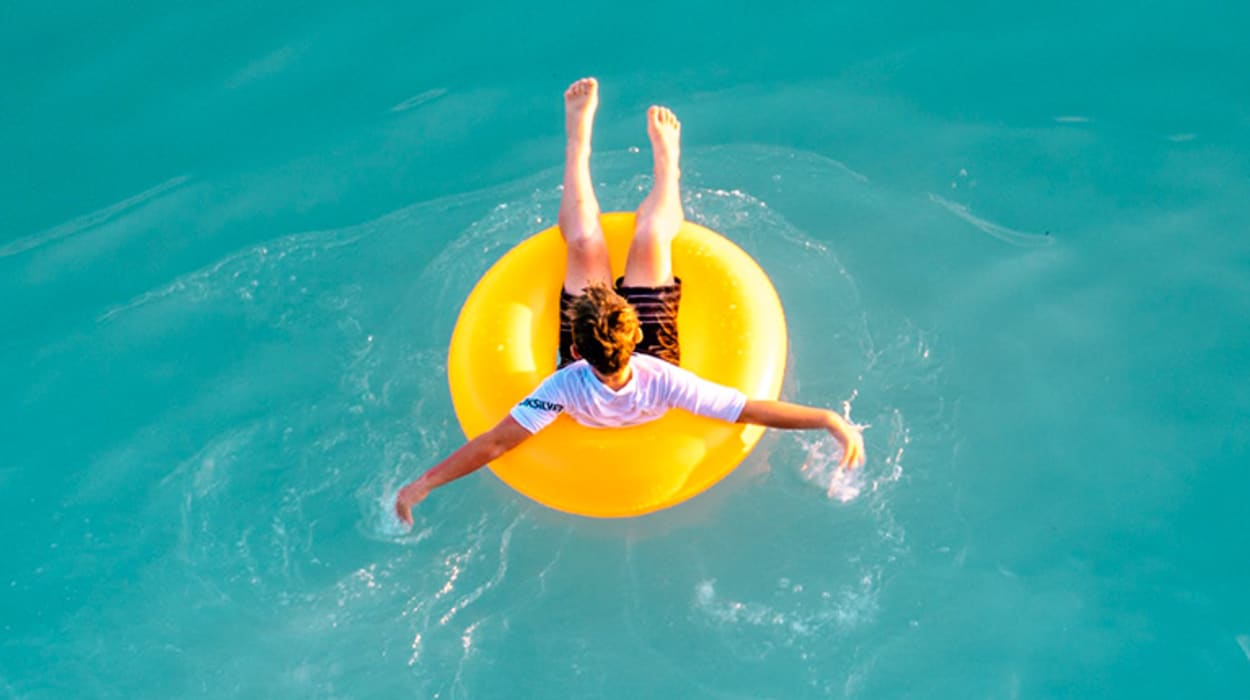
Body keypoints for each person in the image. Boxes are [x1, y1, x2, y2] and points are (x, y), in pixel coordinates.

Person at [395, 78, 864, 524]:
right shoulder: (666, 379)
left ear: (572, 349)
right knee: (651, 237)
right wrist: (827, 419)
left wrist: (422, 485)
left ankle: (578, 143)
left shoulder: (562, 386)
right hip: (656, 352)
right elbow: (749, 409)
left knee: (584, 242)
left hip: (615, 357)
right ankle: (667, 167)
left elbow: (495, 443)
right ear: (635, 328)